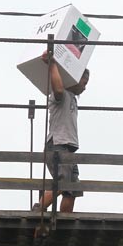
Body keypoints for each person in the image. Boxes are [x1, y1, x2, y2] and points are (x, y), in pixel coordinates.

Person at [32, 52, 89, 213]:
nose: (85, 87)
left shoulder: (72, 97)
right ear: (75, 79)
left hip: (68, 149)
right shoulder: (61, 94)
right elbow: (57, 88)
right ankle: (39, 210)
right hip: (58, 145)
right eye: (84, 83)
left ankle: (65, 219)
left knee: (73, 188)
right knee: (62, 182)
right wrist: (52, 64)